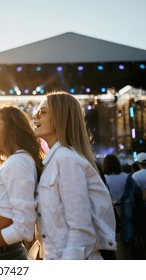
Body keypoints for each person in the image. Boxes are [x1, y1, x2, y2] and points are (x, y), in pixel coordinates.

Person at [32, 91, 116, 260]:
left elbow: (80, 230)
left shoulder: (66, 159)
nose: (35, 117)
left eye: (43, 112)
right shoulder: (57, 159)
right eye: (36, 112)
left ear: (60, 117)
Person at [0, 106, 44, 260]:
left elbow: (24, 227)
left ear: (12, 128)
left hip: (4, 254)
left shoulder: (19, 162)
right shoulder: (14, 162)